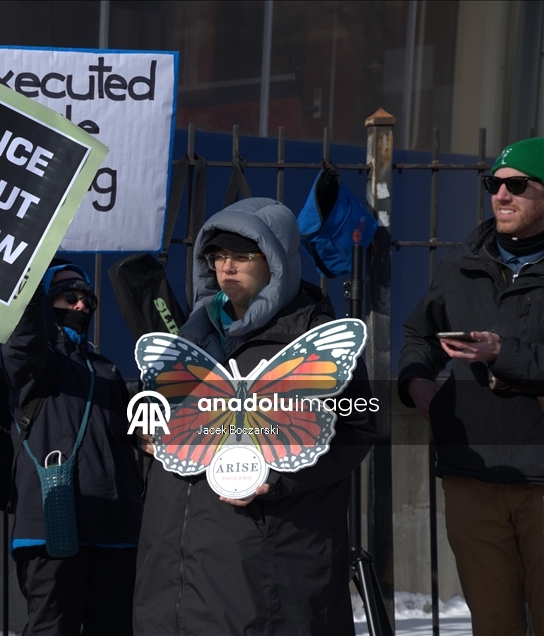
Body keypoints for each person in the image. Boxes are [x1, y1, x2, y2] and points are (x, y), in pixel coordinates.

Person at [132, 198, 377, 635]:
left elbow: (358, 428)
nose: (226, 267)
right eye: (217, 255)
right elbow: (153, 410)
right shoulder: (188, 338)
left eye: (242, 255)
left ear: (276, 262)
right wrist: (149, 432)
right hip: (170, 570)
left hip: (262, 572)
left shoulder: (309, 338)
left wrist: (278, 477)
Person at [399, 136, 543, 635]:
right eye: (493, 185)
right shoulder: (461, 264)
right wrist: (416, 379)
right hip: (472, 475)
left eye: (517, 185)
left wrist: (505, 354)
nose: (502, 195)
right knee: (494, 623)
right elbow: (420, 334)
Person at [1, 259, 143, 635]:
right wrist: (29, 286)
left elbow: (132, 437)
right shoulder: (33, 364)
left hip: (115, 531)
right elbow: (25, 337)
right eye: (68, 297)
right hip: (53, 525)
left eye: (87, 300)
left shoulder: (106, 369)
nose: (80, 305)